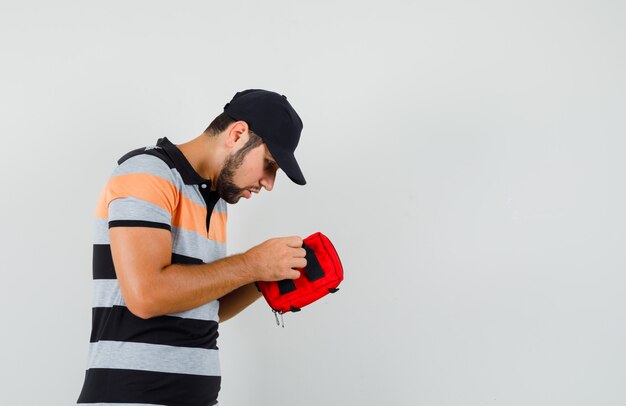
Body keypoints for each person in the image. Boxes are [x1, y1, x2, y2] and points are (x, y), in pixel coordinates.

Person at [77, 89, 308, 406]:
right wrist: (252, 264)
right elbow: (147, 295)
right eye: (269, 164)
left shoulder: (216, 201)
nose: (269, 182)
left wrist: (265, 279)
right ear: (238, 134)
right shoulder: (147, 173)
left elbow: (204, 307)